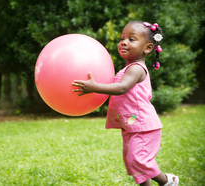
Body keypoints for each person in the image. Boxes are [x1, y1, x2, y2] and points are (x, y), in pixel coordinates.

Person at [72, 21, 179, 186]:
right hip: (131, 125)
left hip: (143, 125)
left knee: (139, 159)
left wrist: (94, 87)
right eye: (122, 38)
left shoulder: (136, 68)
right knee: (132, 161)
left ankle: (167, 181)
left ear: (148, 48)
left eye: (131, 39)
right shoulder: (127, 68)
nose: (123, 42)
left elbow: (121, 88)